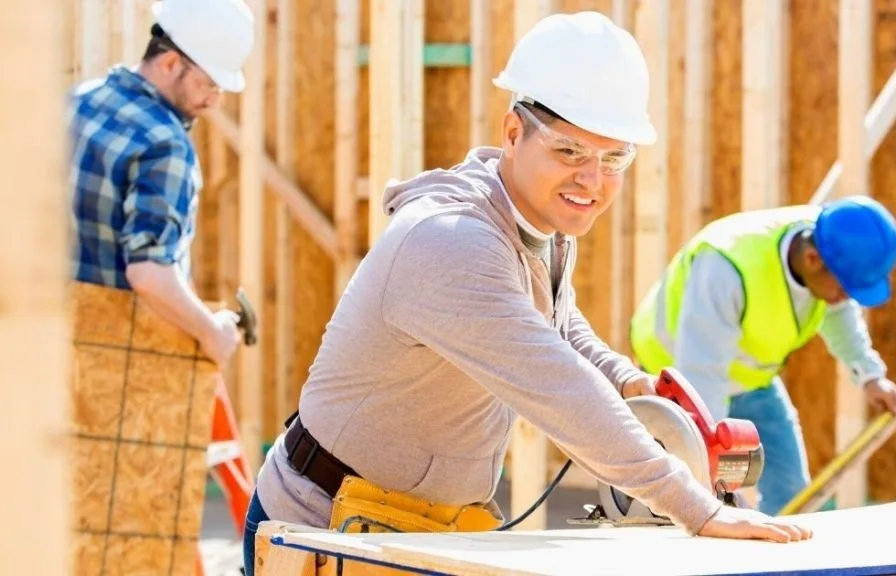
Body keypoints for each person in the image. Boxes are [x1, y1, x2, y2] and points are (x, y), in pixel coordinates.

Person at [243, 10, 812, 575]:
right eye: (570, 152)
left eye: (613, 158)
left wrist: (627, 380)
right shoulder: (450, 243)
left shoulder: (542, 226)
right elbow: (556, 386)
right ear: (513, 132)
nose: (591, 181)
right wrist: (696, 507)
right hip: (320, 530)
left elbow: (555, 328)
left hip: (419, 527)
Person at [629, 197, 896, 516]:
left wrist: (871, 376)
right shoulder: (726, 265)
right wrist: (717, 478)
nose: (846, 298)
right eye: (845, 288)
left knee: (792, 494)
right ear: (812, 258)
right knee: (694, 499)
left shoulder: (830, 245)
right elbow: (702, 376)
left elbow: (839, 314)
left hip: (752, 381)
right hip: (678, 381)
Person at [67, 0, 255, 369]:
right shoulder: (165, 145)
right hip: (114, 366)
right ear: (170, 63)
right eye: (210, 85)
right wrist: (211, 332)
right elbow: (149, 273)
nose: (213, 102)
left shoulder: (77, 101)